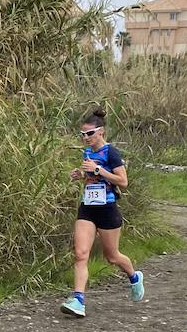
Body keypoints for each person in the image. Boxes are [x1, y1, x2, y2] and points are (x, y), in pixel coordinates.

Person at [60, 109, 145, 318]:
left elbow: (123, 182)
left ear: (101, 132)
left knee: (112, 256)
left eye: (90, 134)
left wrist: (99, 171)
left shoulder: (111, 152)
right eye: (82, 134)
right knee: (80, 254)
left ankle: (134, 277)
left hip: (107, 209)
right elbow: (91, 178)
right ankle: (78, 300)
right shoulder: (87, 153)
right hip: (88, 207)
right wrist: (81, 175)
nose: (85, 138)